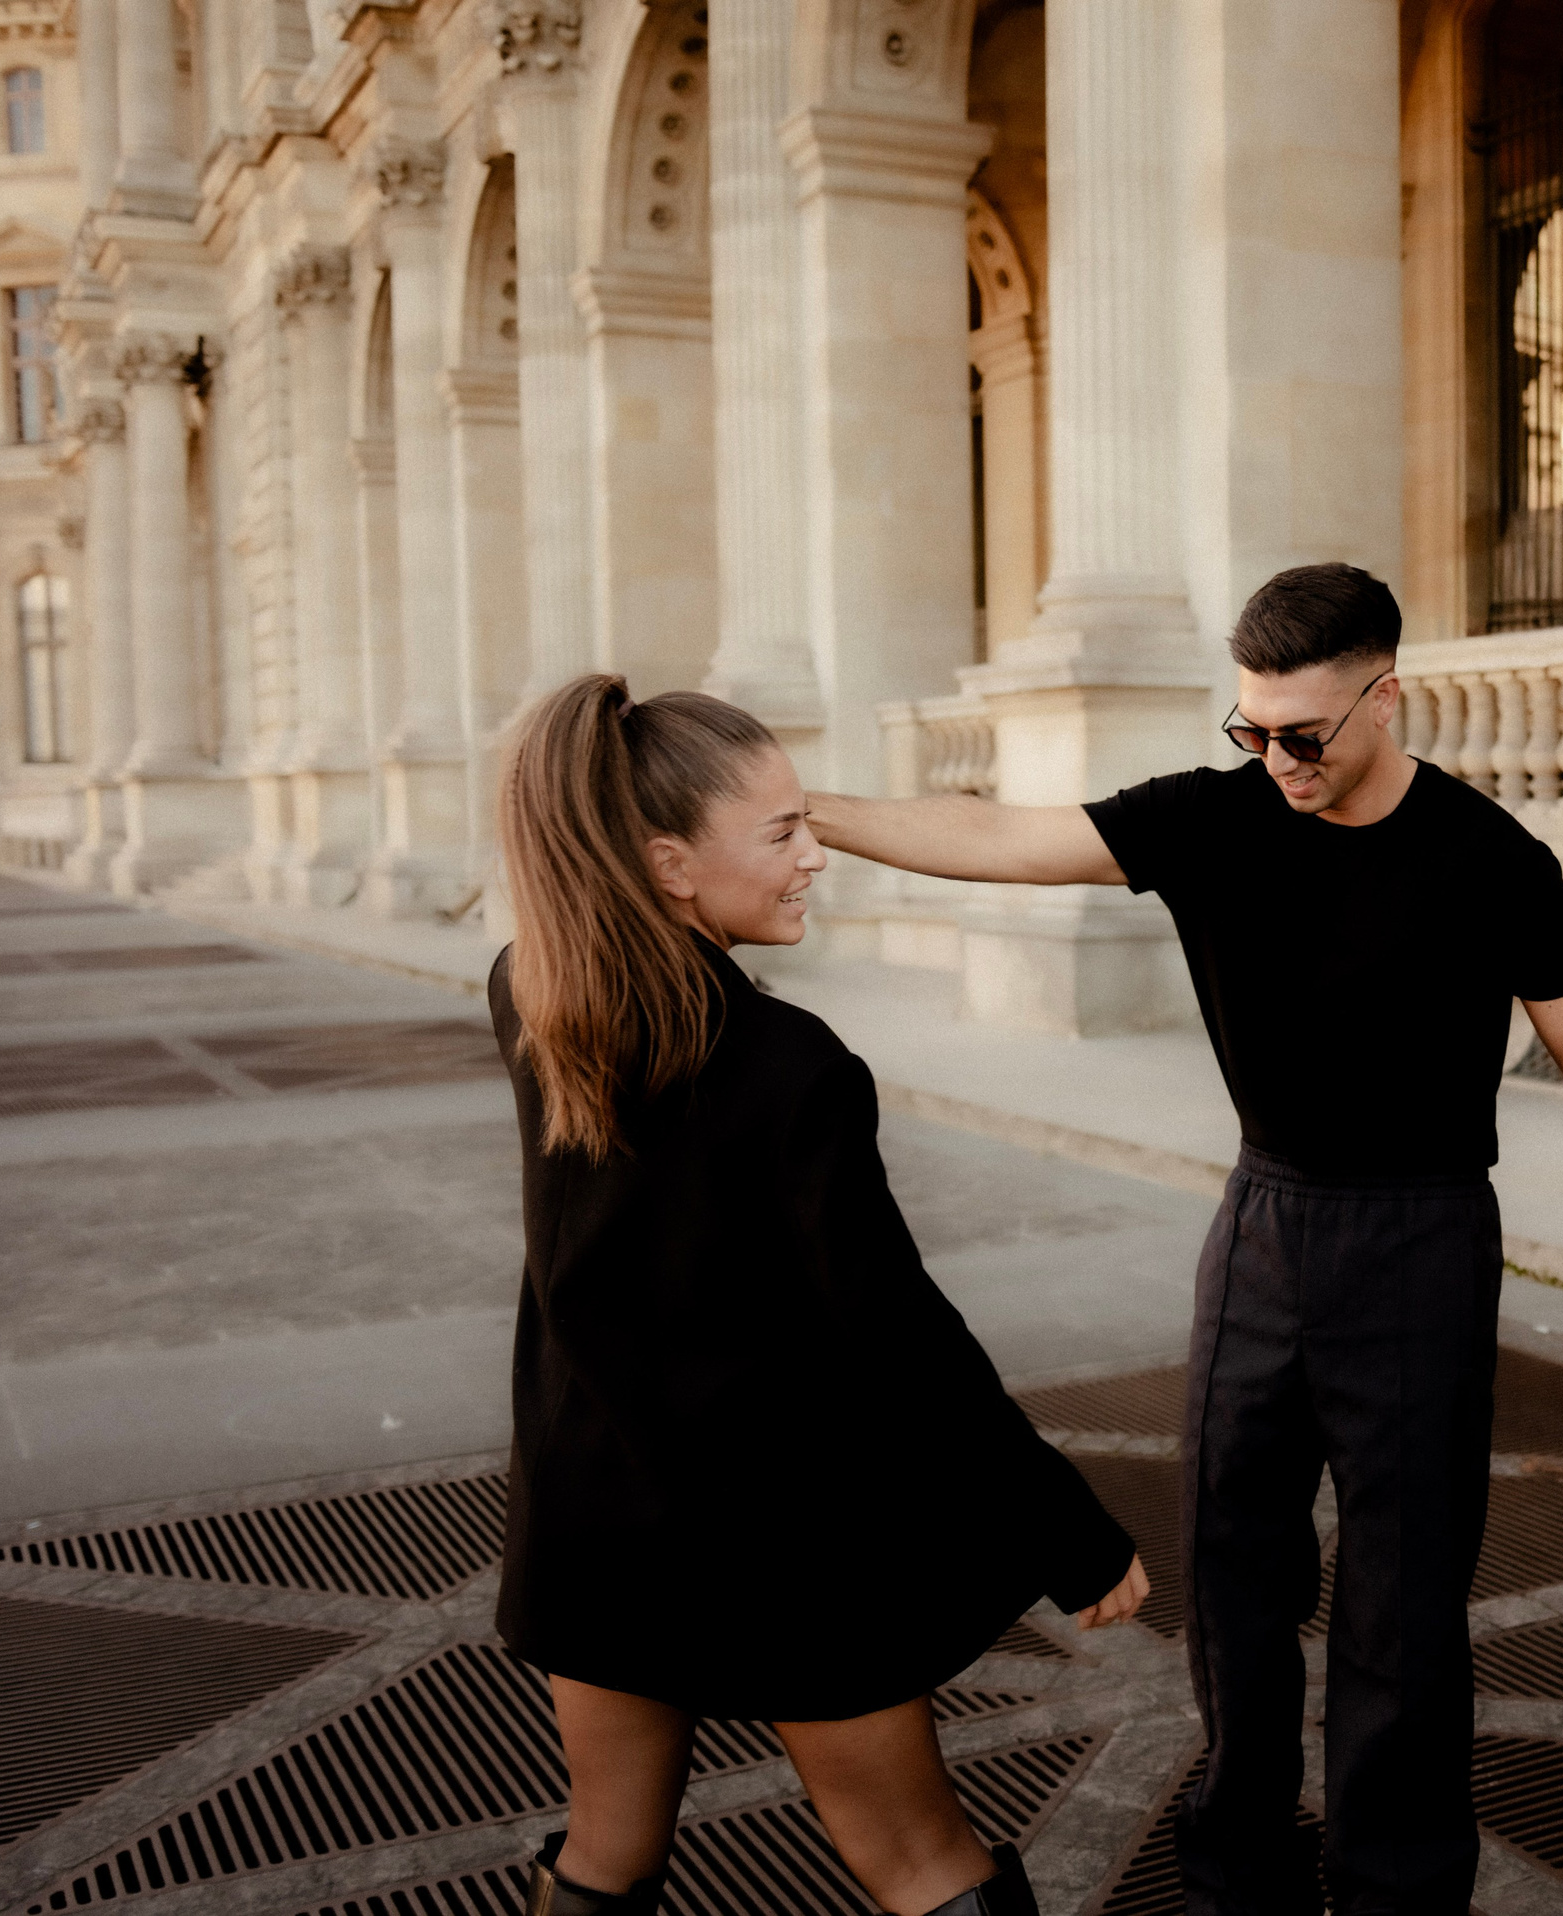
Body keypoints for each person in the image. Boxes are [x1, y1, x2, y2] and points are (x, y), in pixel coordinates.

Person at [806, 563, 1563, 1916]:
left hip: (1424, 1235)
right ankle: (1239, 1877)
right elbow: (1007, 838)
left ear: (1387, 697)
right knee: (1234, 1565)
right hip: (1262, 1225)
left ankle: (1394, 1887)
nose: (1277, 762)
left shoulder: (1491, 858)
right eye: (1250, 731)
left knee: (1403, 1599)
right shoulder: (1218, 820)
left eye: (1305, 735)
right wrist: (804, 813)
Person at [489, 675, 1149, 1916]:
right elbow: (897, 1331)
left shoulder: (532, 992)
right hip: (772, 1533)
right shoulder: (790, 1069)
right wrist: (1068, 1526)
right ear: (670, 862)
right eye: (784, 833)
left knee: (605, 1854)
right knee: (918, 1859)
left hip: (594, 1508)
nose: (814, 860)